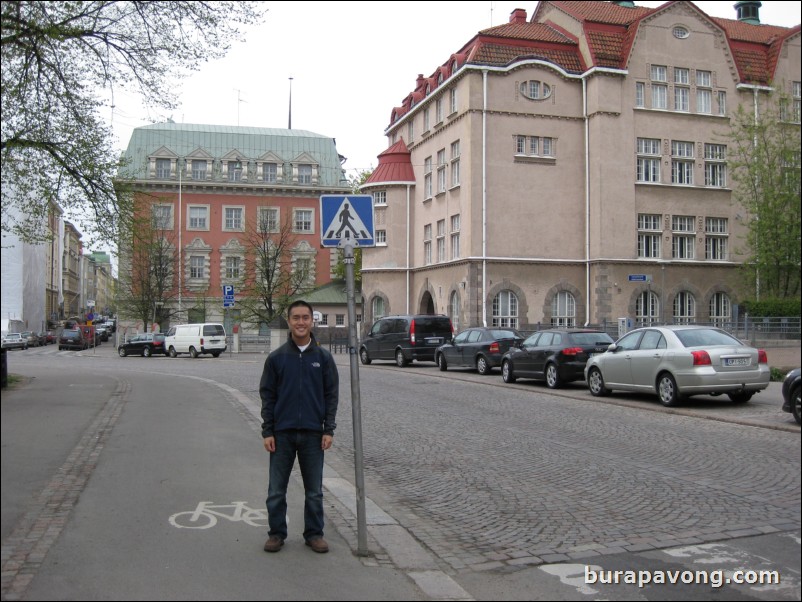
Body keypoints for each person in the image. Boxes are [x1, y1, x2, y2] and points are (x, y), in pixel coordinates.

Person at [260, 300, 339, 553]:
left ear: (312, 320)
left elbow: (331, 395)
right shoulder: (277, 358)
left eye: (305, 317)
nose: (301, 322)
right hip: (282, 434)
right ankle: (276, 534)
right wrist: (268, 431)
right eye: (296, 317)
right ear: (289, 320)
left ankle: (314, 534)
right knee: (276, 491)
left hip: (313, 434)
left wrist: (329, 429)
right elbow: (268, 396)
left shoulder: (323, 358)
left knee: (314, 491)